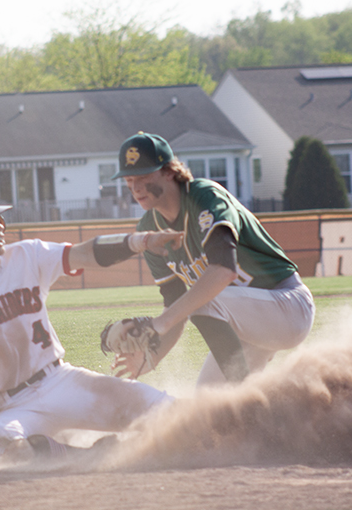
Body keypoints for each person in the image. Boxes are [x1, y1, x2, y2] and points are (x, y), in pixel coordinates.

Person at [0, 187, 177, 460]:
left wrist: (141, 241)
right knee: (0, 442)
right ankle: (81, 455)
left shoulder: (26, 256)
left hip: (61, 381)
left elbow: (86, 253)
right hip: (12, 408)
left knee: (164, 411)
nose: (1, 226)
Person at [106, 132, 315, 386]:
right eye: (129, 179)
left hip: (286, 305)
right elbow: (175, 307)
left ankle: (247, 399)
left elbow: (224, 271)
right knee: (208, 400)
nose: (135, 187)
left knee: (202, 300)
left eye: (143, 176)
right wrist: (153, 356)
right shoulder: (149, 230)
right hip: (246, 325)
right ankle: (268, 414)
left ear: (170, 171)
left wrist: (158, 324)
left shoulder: (204, 198)